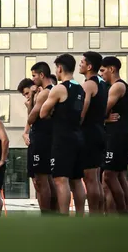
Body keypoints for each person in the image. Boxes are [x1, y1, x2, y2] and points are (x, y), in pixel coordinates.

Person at [40, 54, 86, 215]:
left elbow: (42, 112)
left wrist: (53, 110)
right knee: (77, 180)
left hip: (63, 139)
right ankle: (80, 215)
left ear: (59, 68)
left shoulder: (59, 88)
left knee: (61, 179)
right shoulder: (81, 88)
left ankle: (64, 216)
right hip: (78, 137)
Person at [100, 56, 128, 213]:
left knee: (108, 176)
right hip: (119, 135)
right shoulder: (115, 87)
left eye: (102, 70)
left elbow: (102, 110)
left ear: (112, 69)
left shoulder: (117, 87)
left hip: (117, 136)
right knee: (119, 176)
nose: (101, 74)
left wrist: (103, 118)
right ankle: (124, 214)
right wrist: (106, 119)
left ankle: (123, 213)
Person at [78, 51, 107, 214]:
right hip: (98, 132)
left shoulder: (88, 84)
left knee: (90, 178)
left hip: (89, 134)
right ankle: (99, 213)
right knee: (95, 178)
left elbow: (82, 111)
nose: (80, 64)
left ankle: (95, 214)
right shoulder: (102, 84)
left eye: (82, 62)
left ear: (89, 66)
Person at [27, 63, 57, 213]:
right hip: (47, 137)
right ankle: (53, 213)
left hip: (42, 137)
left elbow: (31, 118)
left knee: (41, 178)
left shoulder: (45, 93)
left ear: (42, 75)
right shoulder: (52, 90)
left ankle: (46, 215)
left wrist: (33, 96)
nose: (33, 79)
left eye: (34, 75)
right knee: (48, 178)